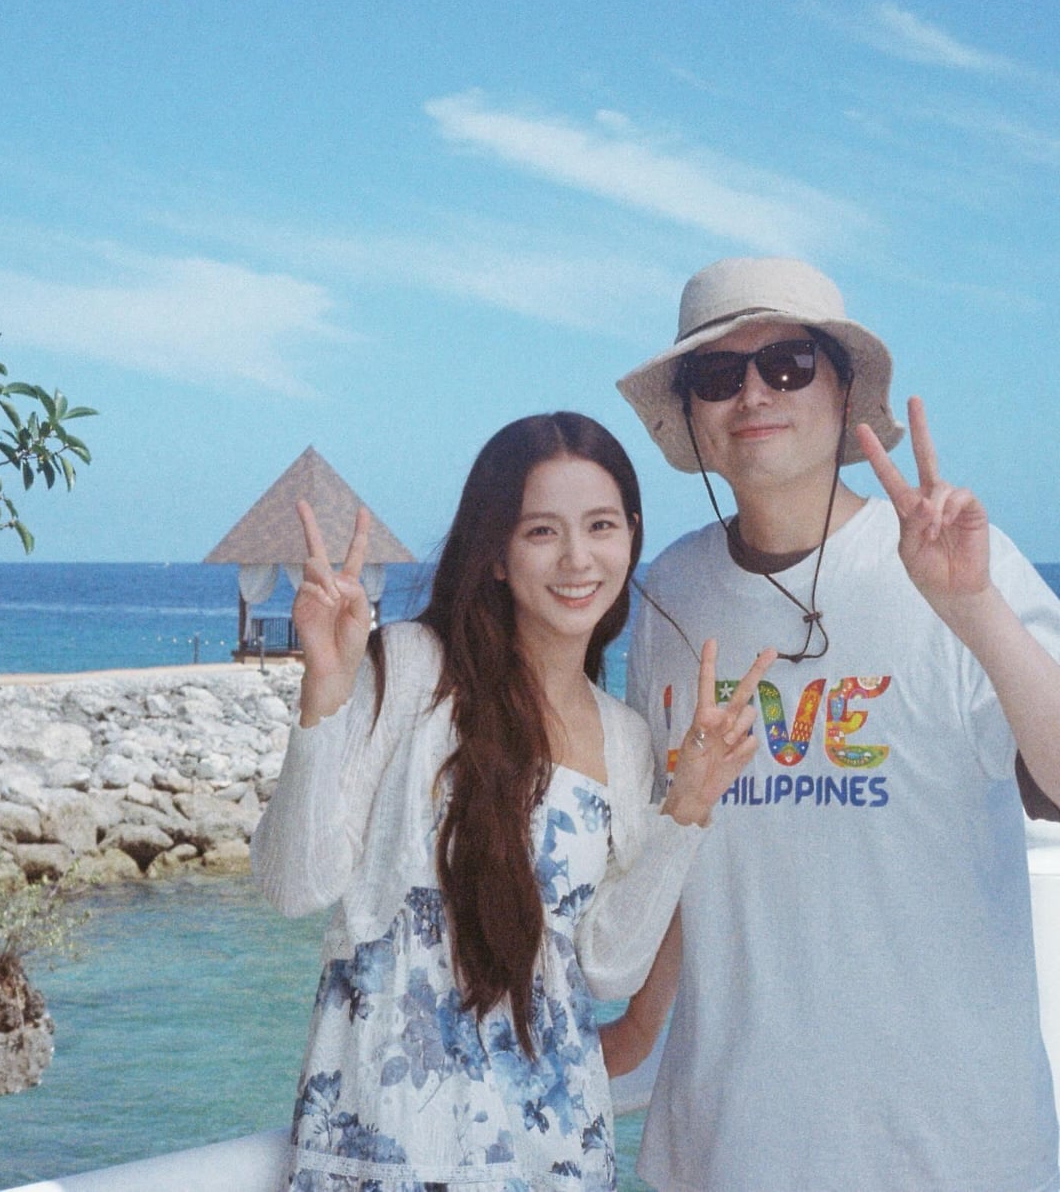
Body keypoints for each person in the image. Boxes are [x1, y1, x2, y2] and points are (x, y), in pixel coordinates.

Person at [612, 257, 1060, 1192]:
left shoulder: (962, 566)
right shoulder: (667, 595)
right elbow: (674, 848)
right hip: (726, 1147)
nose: (753, 394)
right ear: (690, 411)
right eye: (717, 374)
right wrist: (630, 1033)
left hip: (950, 1152)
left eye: (788, 364)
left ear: (845, 389)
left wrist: (971, 607)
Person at [251, 411, 775, 1192]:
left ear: (631, 536)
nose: (577, 558)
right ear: (495, 553)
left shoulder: (624, 738)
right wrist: (324, 692)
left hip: (554, 1149)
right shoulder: (413, 667)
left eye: (600, 525)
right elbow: (294, 882)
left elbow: (608, 963)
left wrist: (689, 807)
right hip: (386, 1143)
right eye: (541, 531)